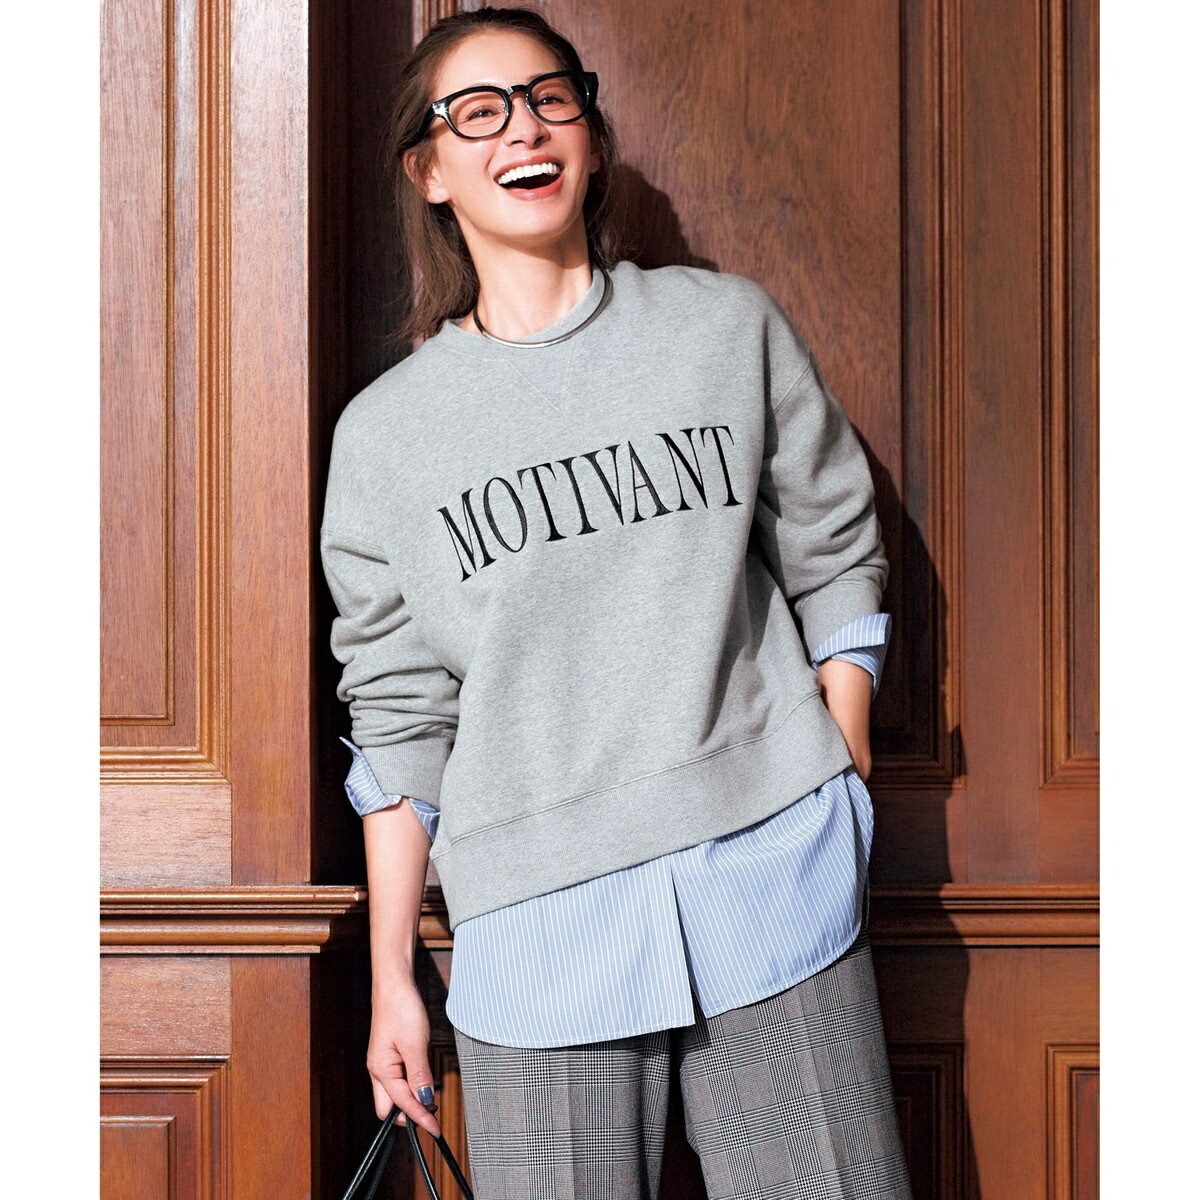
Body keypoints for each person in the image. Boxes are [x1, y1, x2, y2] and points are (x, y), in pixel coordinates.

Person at [320, 7, 915, 1198]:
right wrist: (392, 976)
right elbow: (399, 715)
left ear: (588, 136)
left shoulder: (722, 326)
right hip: (538, 934)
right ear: (428, 171)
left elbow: (835, 537)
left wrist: (841, 755)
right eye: (478, 112)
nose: (524, 130)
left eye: (551, 98)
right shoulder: (385, 438)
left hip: (775, 877)